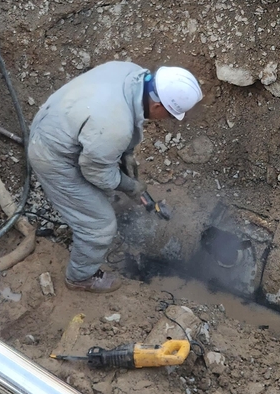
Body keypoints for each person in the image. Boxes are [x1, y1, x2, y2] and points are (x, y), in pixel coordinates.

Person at [27, 62, 203, 293]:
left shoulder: (129, 72)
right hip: (52, 156)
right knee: (100, 224)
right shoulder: (115, 127)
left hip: (57, 121)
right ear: (159, 106)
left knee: (100, 189)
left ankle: (83, 224)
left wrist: (125, 153)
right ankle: (80, 277)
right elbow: (95, 170)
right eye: (169, 115)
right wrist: (128, 185)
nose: (166, 119)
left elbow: (108, 125)